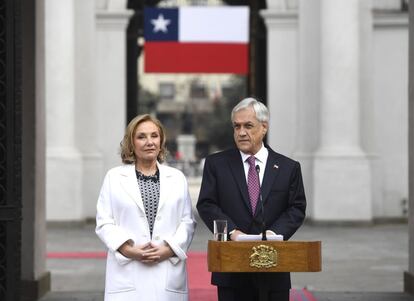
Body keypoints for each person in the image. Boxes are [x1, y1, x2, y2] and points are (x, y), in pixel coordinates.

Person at [196, 97, 306, 301]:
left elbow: (296, 208)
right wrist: (232, 232)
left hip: (273, 265)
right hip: (231, 268)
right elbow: (207, 204)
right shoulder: (216, 164)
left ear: (264, 127)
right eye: (236, 126)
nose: (241, 132)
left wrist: (274, 234)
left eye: (248, 125)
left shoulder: (288, 168)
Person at [96, 114, 196, 301]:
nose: (149, 142)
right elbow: (104, 222)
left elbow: (188, 222)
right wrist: (128, 250)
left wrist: (169, 249)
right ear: (131, 143)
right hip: (127, 272)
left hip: (167, 271)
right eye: (141, 137)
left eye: (154, 136)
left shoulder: (177, 178)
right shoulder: (114, 177)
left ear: (161, 140)